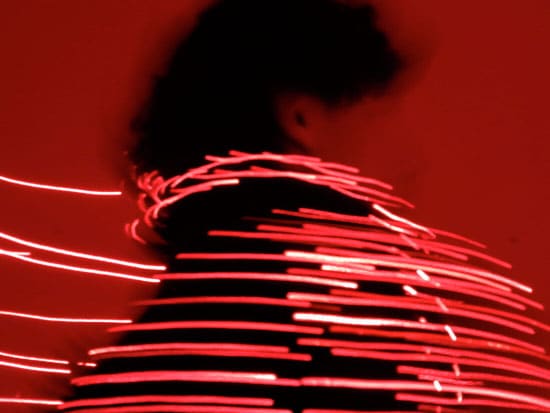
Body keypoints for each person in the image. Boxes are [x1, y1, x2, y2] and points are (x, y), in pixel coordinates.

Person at [59, 0, 550, 412]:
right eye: (378, 113)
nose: (414, 157)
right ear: (301, 119)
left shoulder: (177, 318)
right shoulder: (336, 301)